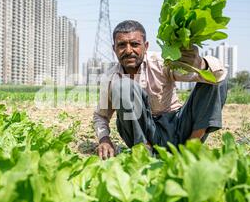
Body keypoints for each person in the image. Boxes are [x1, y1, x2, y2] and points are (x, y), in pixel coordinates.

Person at [93, 20, 228, 159]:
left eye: (135, 44)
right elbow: (101, 116)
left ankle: (190, 150)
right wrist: (104, 139)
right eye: (122, 45)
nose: (128, 51)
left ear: (145, 46)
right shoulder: (110, 77)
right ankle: (145, 154)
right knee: (122, 86)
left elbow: (216, 73)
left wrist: (201, 64)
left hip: (179, 128)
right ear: (114, 48)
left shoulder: (162, 62)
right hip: (143, 135)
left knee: (216, 77)